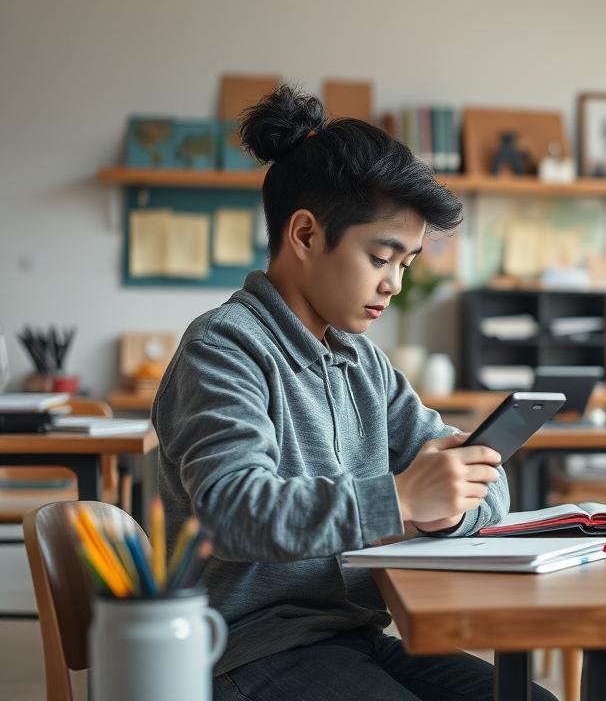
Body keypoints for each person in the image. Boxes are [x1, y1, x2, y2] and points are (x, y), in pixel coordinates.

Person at [153, 85, 555, 701]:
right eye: (381, 256)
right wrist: (400, 497)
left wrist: (450, 505)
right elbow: (232, 514)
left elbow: (475, 474)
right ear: (307, 234)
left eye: (408, 263)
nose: (394, 284)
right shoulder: (222, 347)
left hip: (356, 636)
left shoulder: (360, 361)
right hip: (244, 650)